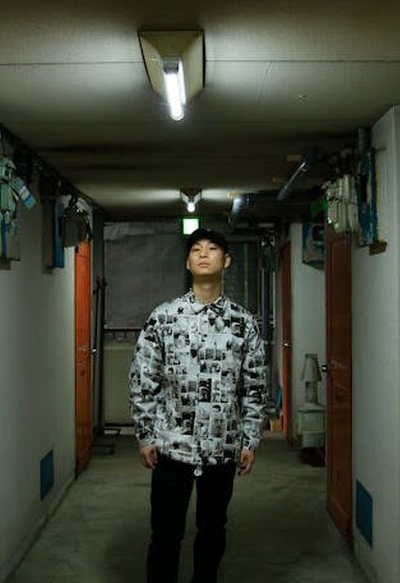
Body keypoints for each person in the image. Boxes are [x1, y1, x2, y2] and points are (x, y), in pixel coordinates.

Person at [129, 228, 268, 583]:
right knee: (164, 535)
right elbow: (144, 380)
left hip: (221, 449)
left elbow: (253, 386)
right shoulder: (163, 318)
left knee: (212, 531)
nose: (204, 254)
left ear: (227, 261)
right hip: (171, 447)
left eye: (212, 248)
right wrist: (146, 435)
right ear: (188, 262)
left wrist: (249, 440)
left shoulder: (243, 323)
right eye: (196, 249)